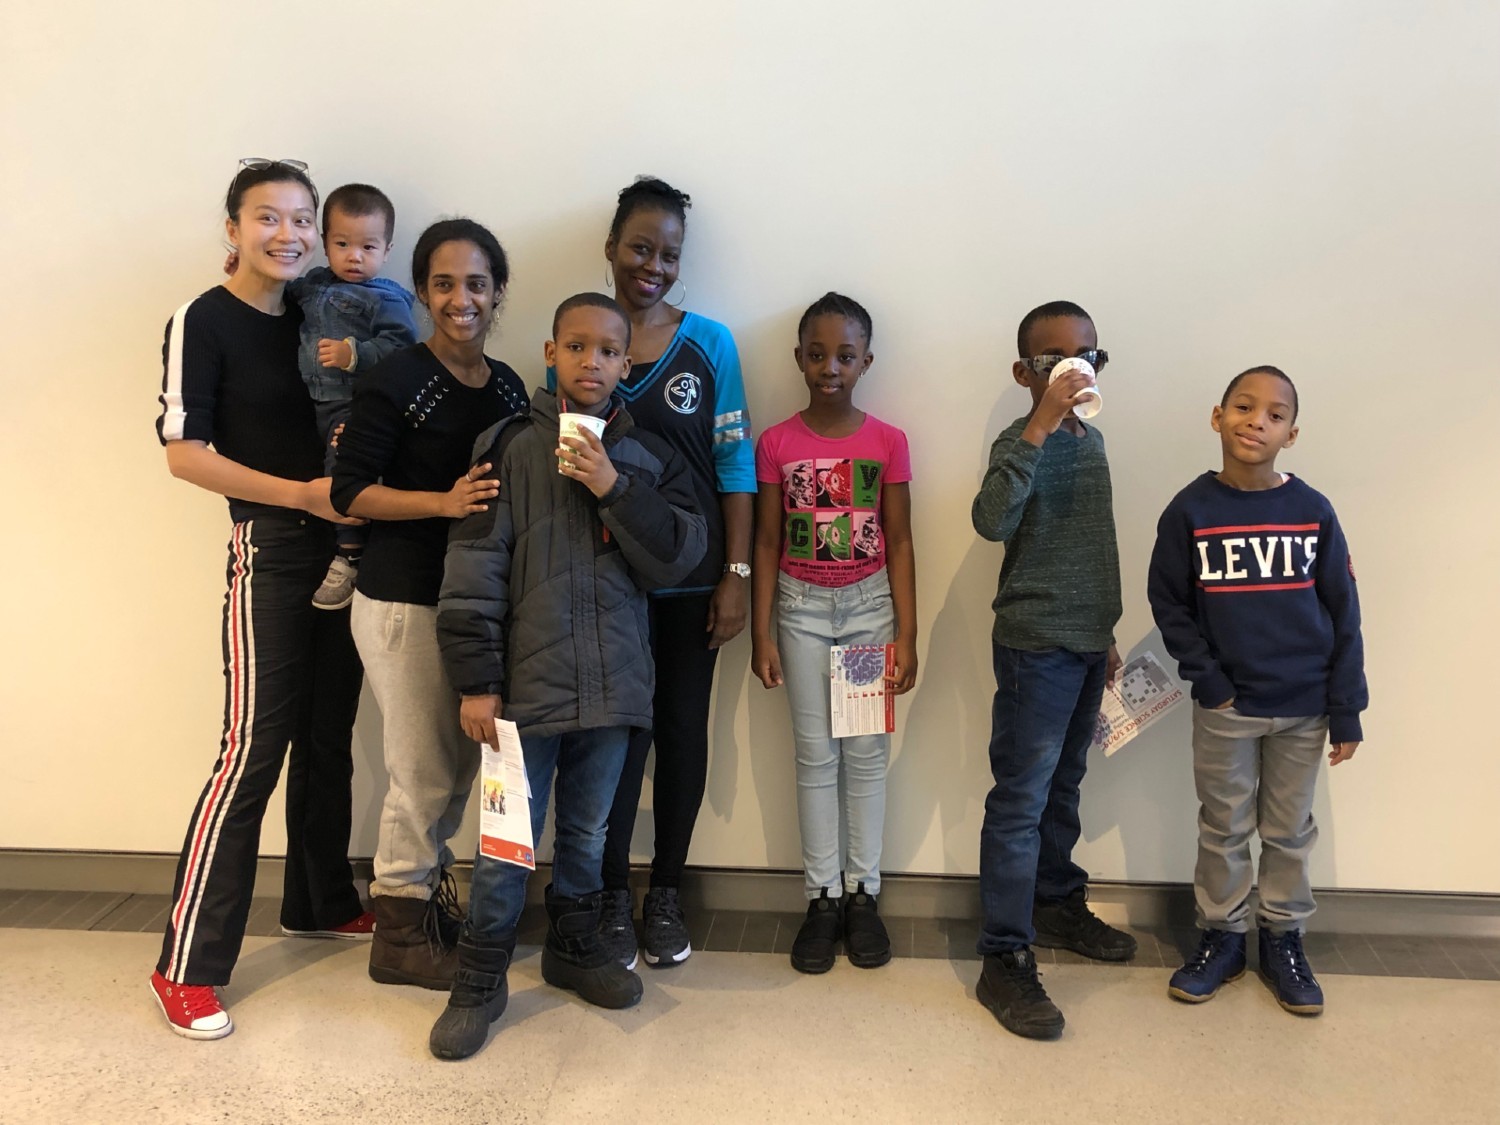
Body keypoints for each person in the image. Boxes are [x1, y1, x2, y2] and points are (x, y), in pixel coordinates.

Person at [427, 293, 707, 1060]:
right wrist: (477, 681)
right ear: (550, 352)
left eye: (608, 350)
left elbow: (682, 553)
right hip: (519, 696)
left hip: (614, 691)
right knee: (506, 839)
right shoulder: (509, 445)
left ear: (626, 363)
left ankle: (575, 946)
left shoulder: (645, 456)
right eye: (576, 346)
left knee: (586, 830)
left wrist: (613, 484)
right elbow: (472, 569)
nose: (592, 362)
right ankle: (479, 979)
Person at [150, 158, 371, 1041]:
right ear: (233, 228)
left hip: (348, 547)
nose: (287, 235)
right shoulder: (201, 319)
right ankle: (186, 966)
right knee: (251, 749)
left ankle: (318, 901)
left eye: (301, 219)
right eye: (267, 218)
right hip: (273, 549)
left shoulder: (325, 307)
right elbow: (184, 452)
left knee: (328, 736)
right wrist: (300, 495)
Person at [552, 176, 754, 970]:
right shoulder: (579, 335)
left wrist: (736, 571)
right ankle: (605, 893)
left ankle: (663, 893)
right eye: (640, 247)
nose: (654, 266)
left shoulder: (711, 344)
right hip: (606, 584)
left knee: (680, 733)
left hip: (691, 581)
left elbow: (736, 462)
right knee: (610, 741)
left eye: (670, 253)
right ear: (610, 248)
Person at [331, 219, 529, 990]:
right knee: (423, 770)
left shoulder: (509, 385)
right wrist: (442, 503)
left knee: (456, 774)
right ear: (420, 292)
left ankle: (428, 907)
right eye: (443, 284)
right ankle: (400, 935)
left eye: (476, 283)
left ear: (497, 291)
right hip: (403, 600)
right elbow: (348, 490)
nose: (461, 299)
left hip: (475, 606)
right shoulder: (394, 378)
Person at [1148, 366, 1366, 1016]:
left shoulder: (1312, 511)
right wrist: (1210, 682)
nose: (1257, 421)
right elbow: (1169, 601)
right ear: (1217, 416)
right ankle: (1222, 936)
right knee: (1224, 826)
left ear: (1290, 434)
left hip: (1304, 708)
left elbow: (1344, 610)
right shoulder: (1191, 509)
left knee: (1289, 830)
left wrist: (1346, 705)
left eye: (1274, 414)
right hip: (1228, 709)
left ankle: (1283, 939)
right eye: (1244, 407)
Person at [970, 299, 1137, 1042]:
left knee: (1065, 784)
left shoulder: (1094, 443)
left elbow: (1094, 542)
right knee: (1021, 797)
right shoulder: (1020, 439)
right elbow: (991, 519)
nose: (1077, 371)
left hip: (1083, 642)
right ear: (1025, 373)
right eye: (1057, 361)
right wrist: (1038, 423)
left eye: (1089, 358)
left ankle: (1057, 900)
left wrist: (1104, 630)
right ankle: (1004, 955)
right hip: (1035, 644)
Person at [750, 292, 918, 974]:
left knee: (866, 755)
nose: (830, 366)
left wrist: (907, 631)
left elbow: (902, 541)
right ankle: (821, 895)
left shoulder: (888, 441)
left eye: (845, 355)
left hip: (869, 609)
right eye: (817, 354)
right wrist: (761, 630)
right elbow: (764, 541)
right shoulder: (777, 443)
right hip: (800, 611)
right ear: (798, 358)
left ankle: (863, 894)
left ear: (866, 361)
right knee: (816, 756)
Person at [290, 183, 418, 610]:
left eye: (368, 246)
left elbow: (401, 348)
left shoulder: (386, 299)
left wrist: (353, 354)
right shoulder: (313, 284)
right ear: (325, 243)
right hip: (315, 403)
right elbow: (283, 295)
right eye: (342, 244)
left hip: (354, 402)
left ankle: (349, 555)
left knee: (341, 466)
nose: (354, 256)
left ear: (387, 249)